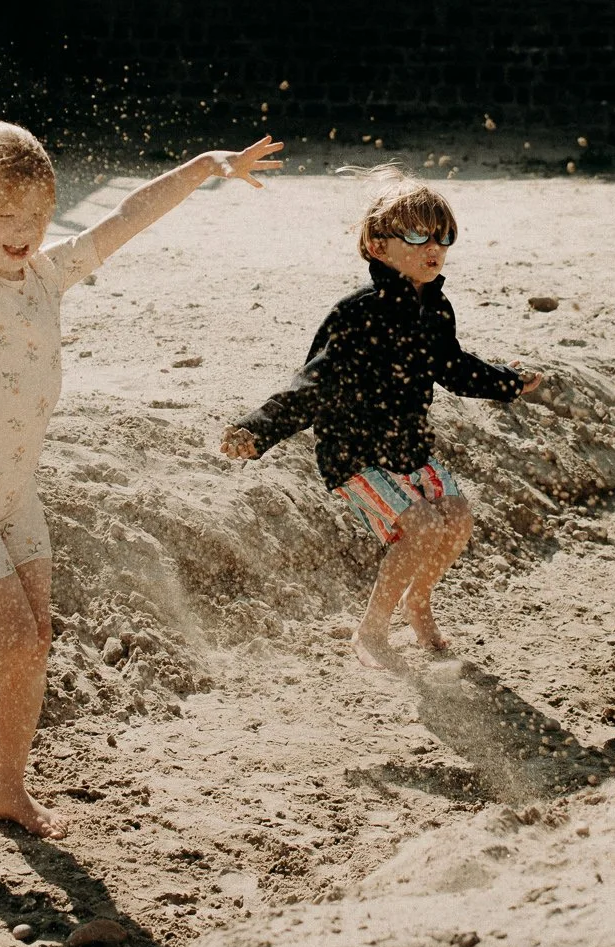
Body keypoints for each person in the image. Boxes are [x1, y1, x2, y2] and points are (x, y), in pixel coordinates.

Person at [0, 118, 281, 837]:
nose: (24, 230)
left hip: (16, 494)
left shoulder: (47, 273)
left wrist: (202, 163)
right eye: (5, 214)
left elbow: (127, 215)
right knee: (10, 640)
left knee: (36, 638)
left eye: (37, 215)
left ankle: (7, 786)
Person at [223, 175, 539, 666]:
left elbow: (454, 368)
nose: (433, 247)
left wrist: (508, 382)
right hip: (355, 454)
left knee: (456, 521)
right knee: (421, 529)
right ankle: (370, 631)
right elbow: (313, 382)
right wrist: (257, 429)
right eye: (417, 236)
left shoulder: (436, 309)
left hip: (409, 448)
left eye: (443, 236)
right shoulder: (357, 313)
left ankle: (419, 603)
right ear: (377, 245)